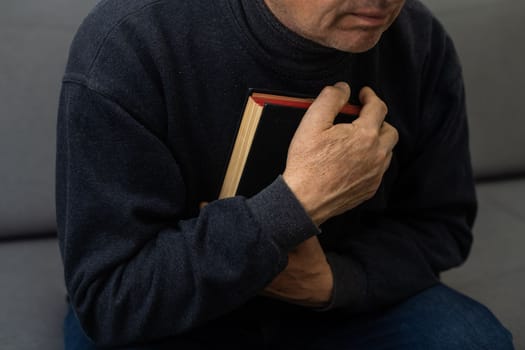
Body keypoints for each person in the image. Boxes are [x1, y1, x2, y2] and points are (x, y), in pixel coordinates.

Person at [56, 0, 514, 348]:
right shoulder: (130, 43)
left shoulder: (419, 40)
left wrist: (335, 282)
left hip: (344, 299)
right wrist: (294, 205)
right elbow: (110, 298)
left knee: (475, 339)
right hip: (176, 309)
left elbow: (441, 226)